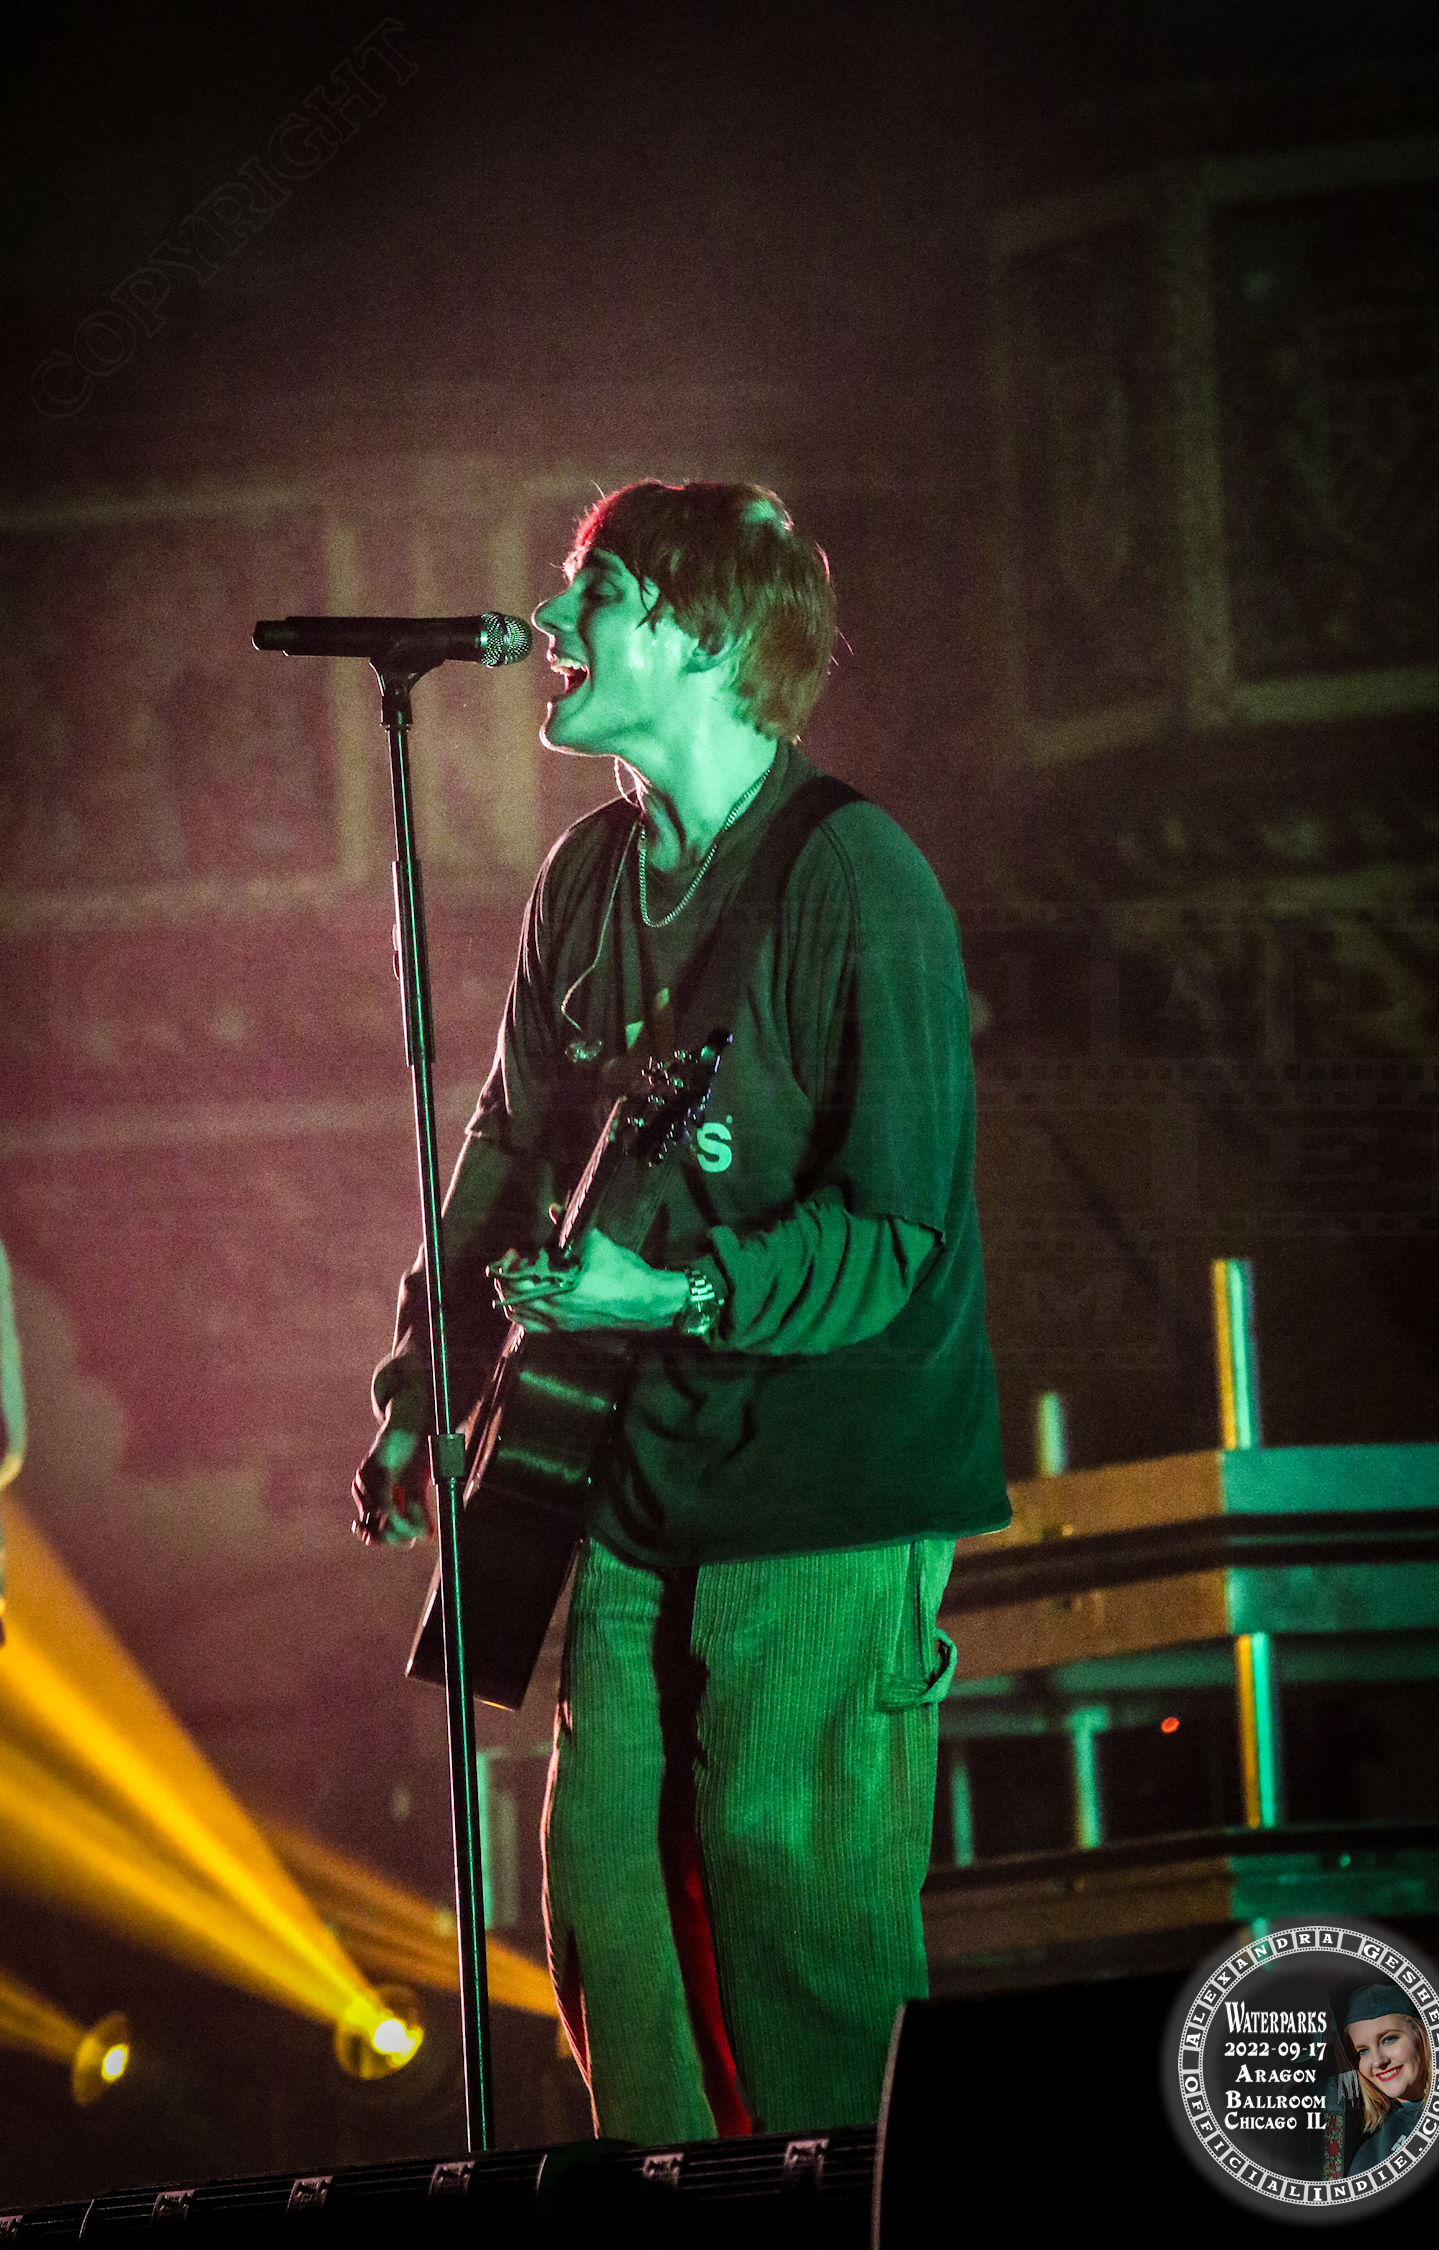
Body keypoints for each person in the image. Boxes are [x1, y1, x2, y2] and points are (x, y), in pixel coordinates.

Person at [352, 480, 1007, 2141]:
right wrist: (428, 1384)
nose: (549, 623)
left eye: (597, 591)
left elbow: (899, 1231)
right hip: (640, 1478)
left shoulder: (860, 878)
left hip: (827, 1485)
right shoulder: (584, 879)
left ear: (705, 637)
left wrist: (683, 1289)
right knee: (607, 1910)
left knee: (794, 1913)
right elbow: (510, 1145)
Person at [1340, 1983, 1432, 2176]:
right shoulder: (1371, 2158)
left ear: (1423, 2033)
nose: (1378, 2061)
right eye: (1362, 2051)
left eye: (1388, 2039)